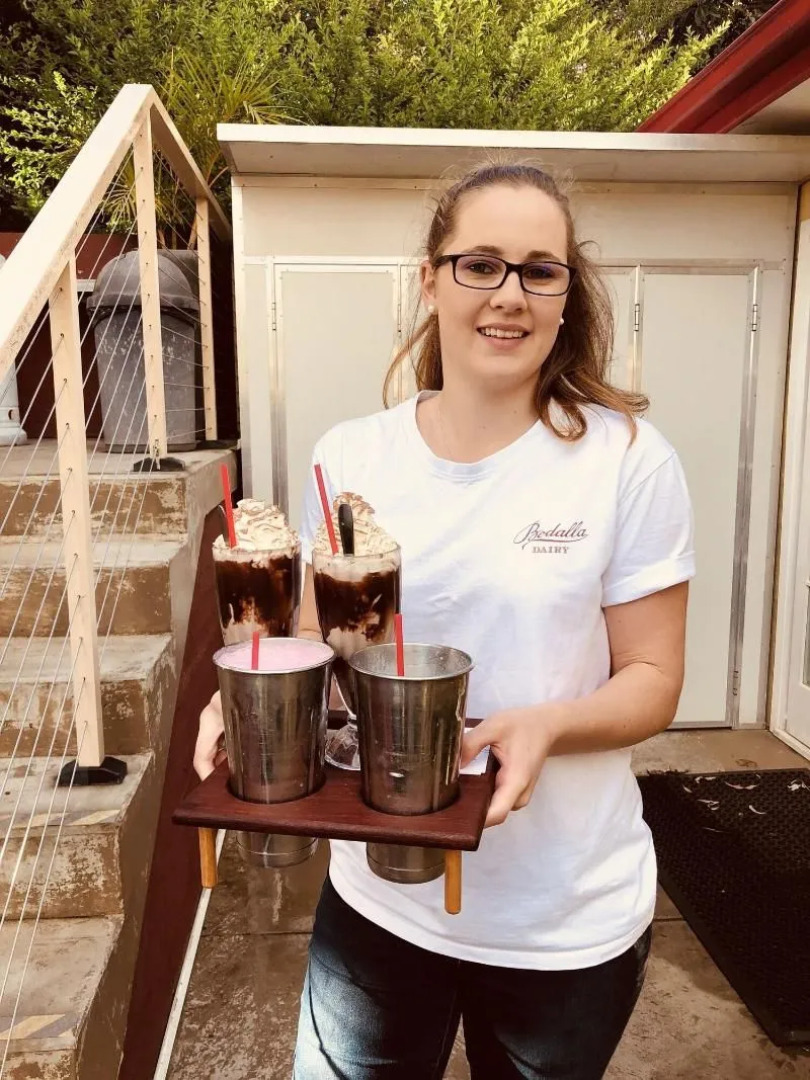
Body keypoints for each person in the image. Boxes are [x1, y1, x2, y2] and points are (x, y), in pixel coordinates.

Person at [195, 162, 694, 1080]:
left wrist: (546, 723)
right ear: (430, 280)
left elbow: (654, 681)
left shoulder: (626, 459)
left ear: (564, 293)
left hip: (563, 917)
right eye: (481, 264)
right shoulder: (353, 455)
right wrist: (247, 701)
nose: (510, 295)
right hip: (383, 902)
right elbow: (313, 642)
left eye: (540, 270)